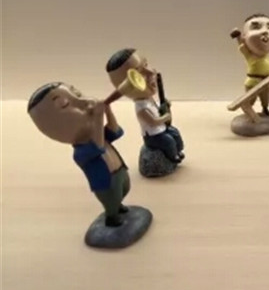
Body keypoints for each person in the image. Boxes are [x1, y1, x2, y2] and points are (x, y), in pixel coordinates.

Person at [27, 82, 131, 227]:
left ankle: (118, 206)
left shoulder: (99, 134)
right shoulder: (80, 153)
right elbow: (98, 146)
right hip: (106, 181)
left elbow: (115, 131)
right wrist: (98, 116)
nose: (87, 103)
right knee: (111, 198)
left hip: (119, 171)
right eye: (65, 104)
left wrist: (108, 110)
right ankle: (111, 216)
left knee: (124, 189)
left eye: (78, 94)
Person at [106, 48, 184, 163]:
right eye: (139, 73)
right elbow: (153, 121)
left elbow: (157, 112)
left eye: (146, 64)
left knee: (175, 133)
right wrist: (165, 117)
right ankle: (173, 157)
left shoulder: (149, 100)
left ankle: (178, 150)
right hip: (154, 136)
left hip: (162, 129)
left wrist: (165, 107)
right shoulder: (141, 108)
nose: (151, 72)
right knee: (169, 141)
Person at [230, 13, 269, 116]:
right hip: (252, 83)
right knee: (250, 99)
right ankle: (248, 112)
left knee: (265, 98)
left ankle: (265, 109)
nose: (265, 31)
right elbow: (243, 46)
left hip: (266, 83)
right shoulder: (250, 56)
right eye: (256, 27)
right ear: (244, 37)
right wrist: (238, 37)